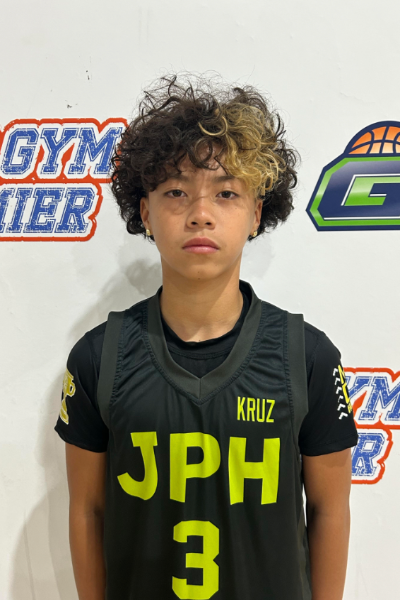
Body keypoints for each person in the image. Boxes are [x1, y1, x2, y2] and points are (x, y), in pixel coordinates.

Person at [54, 72, 359, 600]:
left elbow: (330, 510)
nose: (200, 214)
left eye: (225, 193)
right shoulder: (99, 358)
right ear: (146, 213)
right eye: (176, 192)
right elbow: (87, 510)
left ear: (256, 213)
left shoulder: (306, 356)